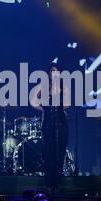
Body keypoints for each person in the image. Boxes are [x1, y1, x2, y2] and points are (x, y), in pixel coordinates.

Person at [31, 64, 70, 194]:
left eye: (57, 71)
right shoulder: (43, 86)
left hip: (61, 124)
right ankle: (49, 184)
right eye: (52, 71)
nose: (54, 73)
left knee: (60, 155)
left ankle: (57, 184)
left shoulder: (64, 87)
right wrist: (43, 109)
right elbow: (32, 100)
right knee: (49, 156)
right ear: (49, 73)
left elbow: (66, 104)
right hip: (48, 124)